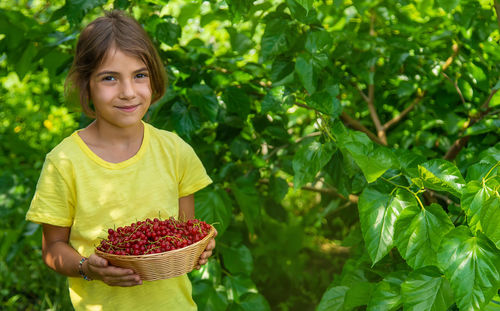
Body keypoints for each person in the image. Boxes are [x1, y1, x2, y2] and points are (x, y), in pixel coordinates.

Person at [25, 10, 216, 310]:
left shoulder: (175, 151)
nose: (128, 92)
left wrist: (199, 248)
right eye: (110, 78)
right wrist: (87, 267)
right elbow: (52, 249)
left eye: (139, 75)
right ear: (86, 84)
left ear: (153, 79)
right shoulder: (64, 162)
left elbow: (183, 233)